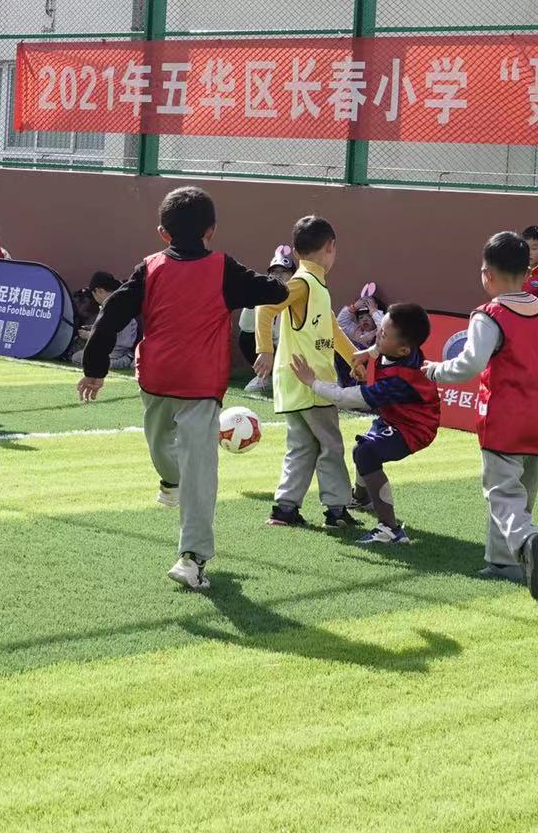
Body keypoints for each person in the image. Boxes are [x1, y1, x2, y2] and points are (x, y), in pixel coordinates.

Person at [77, 186, 291, 590]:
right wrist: (283, 284)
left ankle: (189, 546)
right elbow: (272, 291)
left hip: (172, 383)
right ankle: (181, 517)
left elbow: (111, 314)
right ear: (211, 231)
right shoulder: (222, 269)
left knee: (179, 457)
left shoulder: (151, 267)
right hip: (184, 384)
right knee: (185, 466)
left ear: (163, 232)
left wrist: (94, 369)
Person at [424, 231, 538, 601]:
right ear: (527, 274)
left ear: (487, 274)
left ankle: (525, 540)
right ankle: (502, 562)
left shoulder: (489, 315)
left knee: (501, 493)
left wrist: (434, 371)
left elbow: (471, 363)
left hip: (502, 417)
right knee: (522, 491)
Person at [287, 302, 441, 546]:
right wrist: (367, 353)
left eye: (384, 334)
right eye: (380, 329)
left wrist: (312, 382)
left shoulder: (399, 381)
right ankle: (361, 499)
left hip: (414, 429)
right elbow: (380, 348)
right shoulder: (396, 349)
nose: (378, 335)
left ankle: (390, 529)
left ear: (403, 349)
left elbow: (344, 398)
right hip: (395, 418)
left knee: (366, 452)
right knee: (364, 447)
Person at [256, 216, 371, 529]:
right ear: (331, 246)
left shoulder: (315, 285)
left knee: (302, 446)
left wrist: (354, 360)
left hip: (293, 383)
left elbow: (331, 329)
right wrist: (264, 349)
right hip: (311, 382)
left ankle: (285, 509)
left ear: (295, 252)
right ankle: (337, 510)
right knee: (331, 445)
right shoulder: (305, 283)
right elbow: (265, 307)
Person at [238, 245, 295, 395]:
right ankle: (267, 376)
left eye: (284, 272)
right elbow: (246, 328)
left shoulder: (298, 295)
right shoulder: (264, 295)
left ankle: (288, 379)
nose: (278, 275)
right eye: (274, 271)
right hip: (272, 350)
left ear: (293, 275)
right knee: (245, 337)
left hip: (293, 353)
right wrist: (251, 304)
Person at [74, 271, 137, 370]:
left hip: (116, 349)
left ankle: (125, 361)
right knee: (80, 355)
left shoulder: (112, 304)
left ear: (99, 291)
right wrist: (91, 328)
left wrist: (89, 335)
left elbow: (107, 332)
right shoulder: (118, 300)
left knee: (80, 358)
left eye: (93, 294)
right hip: (118, 346)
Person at [336, 283, 386, 353]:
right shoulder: (356, 332)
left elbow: (384, 328)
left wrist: (374, 312)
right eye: (361, 317)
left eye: (369, 316)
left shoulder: (379, 332)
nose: (364, 320)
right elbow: (340, 323)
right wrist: (353, 307)